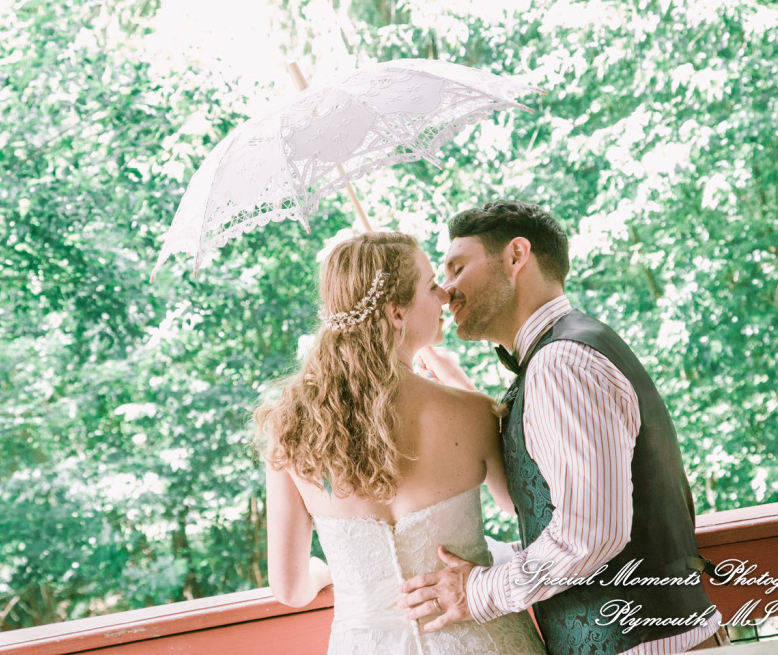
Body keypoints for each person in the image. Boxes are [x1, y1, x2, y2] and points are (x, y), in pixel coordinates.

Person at [397, 201, 730, 654]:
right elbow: (561, 509)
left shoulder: (561, 364)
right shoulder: (566, 350)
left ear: (517, 256)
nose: (446, 291)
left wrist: (478, 592)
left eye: (456, 268)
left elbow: (590, 534)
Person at [256, 231, 546, 654]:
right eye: (431, 285)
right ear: (396, 312)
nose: (446, 296)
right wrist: (457, 383)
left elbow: (289, 589)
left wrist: (324, 573)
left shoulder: (290, 428)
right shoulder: (471, 414)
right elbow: (516, 505)